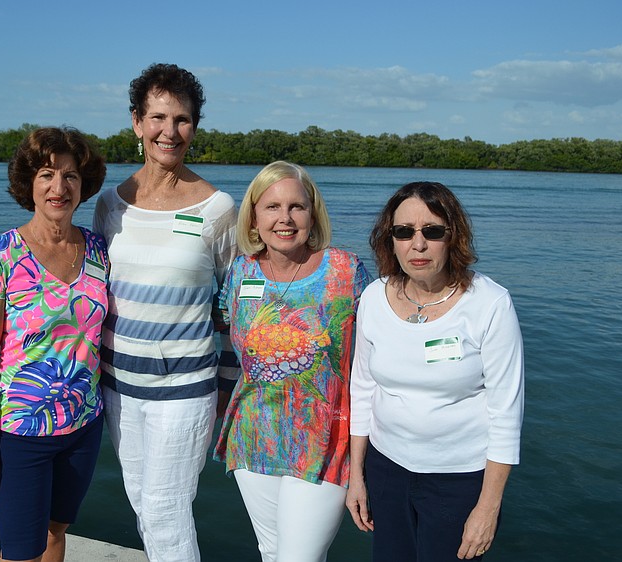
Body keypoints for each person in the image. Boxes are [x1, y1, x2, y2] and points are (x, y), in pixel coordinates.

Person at [92, 63, 238, 561]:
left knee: (163, 507)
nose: (169, 131)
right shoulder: (111, 203)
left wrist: (227, 384)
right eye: (157, 118)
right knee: (142, 502)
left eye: (182, 119)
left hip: (186, 385)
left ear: (194, 127)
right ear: (137, 122)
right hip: (118, 384)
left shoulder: (219, 209)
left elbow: (236, 302)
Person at [347, 181, 525, 561]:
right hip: (385, 470)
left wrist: (488, 508)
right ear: (390, 239)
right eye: (404, 232)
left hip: (458, 481)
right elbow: (362, 389)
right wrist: (356, 476)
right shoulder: (374, 298)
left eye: (432, 231)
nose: (418, 244)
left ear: (453, 236)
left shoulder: (490, 304)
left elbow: (506, 413)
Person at [213, 161, 370, 562]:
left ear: (313, 214)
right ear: (253, 216)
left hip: (324, 442)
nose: (285, 218)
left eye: (297, 207)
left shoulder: (345, 272)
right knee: (271, 551)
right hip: (254, 439)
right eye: (272, 207)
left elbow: (380, 348)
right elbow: (215, 323)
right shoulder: (239, 272)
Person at [0, 127, 108, 562]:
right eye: (47, 174)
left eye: (70, 177)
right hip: (20, 433)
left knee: (55, 533)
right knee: (22, 550)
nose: (59, 187)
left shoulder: (99, 250)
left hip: (84, 425)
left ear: (84, 186)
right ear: (29, 182)